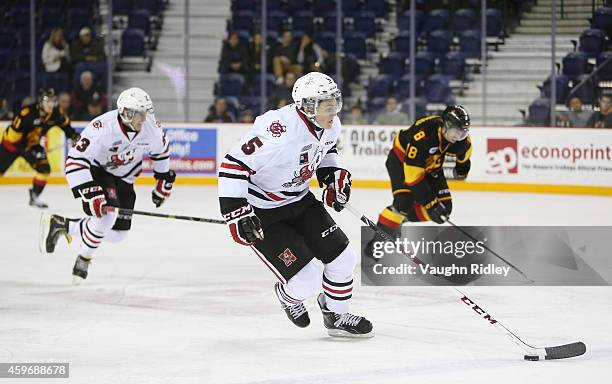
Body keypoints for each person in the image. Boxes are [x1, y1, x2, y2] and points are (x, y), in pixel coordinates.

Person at [218, 72, 373, 338]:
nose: (333, 109)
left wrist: (331, 177)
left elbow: (326, 150)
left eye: (335, 101)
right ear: (307, 106)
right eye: (326, 104)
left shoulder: (330, 124)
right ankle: (288, 297)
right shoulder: (277, 129)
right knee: (305, 282)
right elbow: (233, 165)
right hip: (264, 211)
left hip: (300, 200)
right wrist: (237, 213)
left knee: (344, 259)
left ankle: (335, 315)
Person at [40, 87, 176, 284]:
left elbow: (161, 151)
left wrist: (163, 180)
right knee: (107, 217)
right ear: (126, 113)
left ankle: (63, 225)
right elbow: (75, 161)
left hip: (126, 178)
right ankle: (84, 258)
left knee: (118, 234)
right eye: (139, 114)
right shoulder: (102, 128)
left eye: (145, 113)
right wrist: (90, 192)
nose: (144, 119)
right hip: (99, 172)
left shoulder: (150, 128)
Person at [365, 106, 472, 254]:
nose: (459, 136)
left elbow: (465, 156)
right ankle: (379, 240)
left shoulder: (461, 141)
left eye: (463, 132)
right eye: (456, 131)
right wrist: (430, 202)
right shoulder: (423, 135)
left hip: (431, 166)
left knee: (444, 210)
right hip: (402, 162)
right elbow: (413, 178)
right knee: (404, 202)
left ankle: (398, 219)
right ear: (445, 126)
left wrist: (462, 169)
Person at [0, 89, 79, 208]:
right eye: (47, 101)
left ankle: (34, 196)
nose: (50, 104)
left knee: (44, 168)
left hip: (32, 144)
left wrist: (74, 137)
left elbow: (66, 126)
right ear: (40, 102)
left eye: (53, 101)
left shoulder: (56, 113)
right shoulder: (26, 114)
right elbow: (13, 138)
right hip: (11, 145)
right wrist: (29, 151)